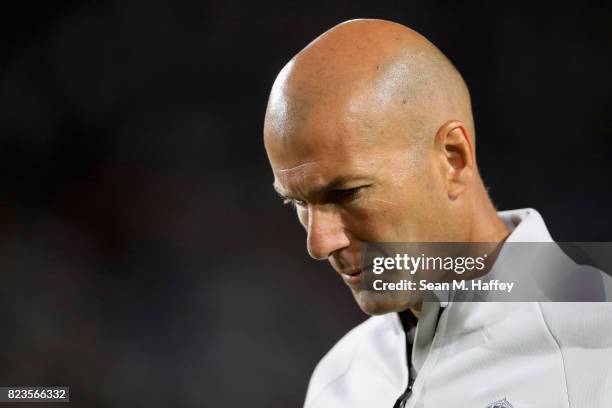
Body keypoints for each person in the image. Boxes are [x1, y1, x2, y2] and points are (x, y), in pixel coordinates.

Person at [263, 19, 612, 407]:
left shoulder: (599, 354)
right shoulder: (339, 381)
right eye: (297, 202)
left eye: (346, 192)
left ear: (452, 158)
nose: (319, 242)